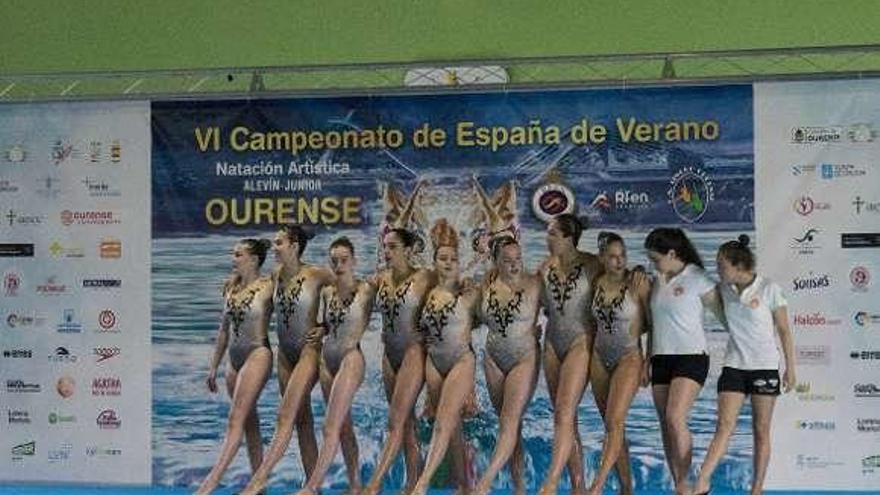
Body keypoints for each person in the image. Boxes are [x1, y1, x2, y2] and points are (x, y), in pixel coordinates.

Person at [692, 235, 795, 495]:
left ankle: (756, 489)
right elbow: (694, 280)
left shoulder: (770, 289)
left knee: (761, 430)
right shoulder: (723, 290)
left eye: (721, 265)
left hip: (764, 367)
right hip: (734, 366)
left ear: (739, 266)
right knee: (723, 426)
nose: (717, 269)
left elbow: (783, 330)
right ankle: (702, 482)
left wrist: (790, 368)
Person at [241, 226, 335, 495]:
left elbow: (347, 292)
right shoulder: (276, 275)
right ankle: (312, 487)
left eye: (279, 243)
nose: (274, 247)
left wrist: (327, 326)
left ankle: (258, 482)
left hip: (309, 352)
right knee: (301, 421)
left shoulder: (317, 274)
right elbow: (259, 301)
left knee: (285, 415)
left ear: (294, 246)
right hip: (285, 354)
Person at [643, 228, 725, 495]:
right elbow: (654, 325)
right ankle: (680, 483)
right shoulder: (656, 280)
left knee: (674, 417)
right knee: (665, 423)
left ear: (672, 253)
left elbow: (727, 318)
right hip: (661, 357)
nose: (653, 264)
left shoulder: (699, 279)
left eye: (656, 258)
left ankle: (689, 481)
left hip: (692, 357)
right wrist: (647, 360)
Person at [295, 237, 377, 495]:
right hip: (327, 362)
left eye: (344, 260)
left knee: (329, 426)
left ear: (354, 261)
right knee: (342, 426)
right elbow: (328, 324)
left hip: (351, 359)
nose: (339, 265)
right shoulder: (327, 293)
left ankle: (311, 487)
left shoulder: (366, 289)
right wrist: (321, 329)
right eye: (334, 261)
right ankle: (355, 486)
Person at [363, 227, 437, 495]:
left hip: (413, 352)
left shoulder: (426, 277)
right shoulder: (380, 279)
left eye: (392, 247)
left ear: (408, 250)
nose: (387, 252)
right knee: (405, 422)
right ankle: (412, 483)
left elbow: (453, 296)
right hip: (389, 354)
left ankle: (373, 485)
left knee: (395, 421)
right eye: (385, 247)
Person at [196, 239, 274, 494]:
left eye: (238, 255)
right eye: (233, 254)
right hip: (234, 361)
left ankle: (210, 483)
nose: (233, 259)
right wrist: (213, 367)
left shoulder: (269, 285)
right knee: (249, 423)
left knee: (235, 419)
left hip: (257, 353)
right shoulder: (231, 288)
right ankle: (259, 484)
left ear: (253, 259)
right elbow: (223, 331)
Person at [410, 219, 481, 495]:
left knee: (456, 418)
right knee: (442, 420)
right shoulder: (427, 291)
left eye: (453, 258)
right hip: (434, 362)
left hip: (461, 360)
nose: (449, 263)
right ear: (434, 261)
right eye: (443, 258)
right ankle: (455, 479)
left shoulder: (469, 290)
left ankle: (460, 482)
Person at [538, 213, 602, 495]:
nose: (547, 238)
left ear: (568, 237)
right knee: (564, 417)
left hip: (580, 341)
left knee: (565, 410)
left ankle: (551, 483)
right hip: (552, 343)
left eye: (552, 233)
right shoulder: (543, 268)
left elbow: (617, 288)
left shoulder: (592, 265)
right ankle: (579, 486)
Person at [473, 236, 542, 495]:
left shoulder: (536, 283)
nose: (514, 266)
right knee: (510, 426)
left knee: (509, 420)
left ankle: (484, 483)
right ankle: (519, 488)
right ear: (496, 262)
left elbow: (563, 314)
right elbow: (475, 317)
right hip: (493, 359)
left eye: (518, 260)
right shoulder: (488, 282)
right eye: (507, 261)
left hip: (524, 358)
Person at [586, 232, 651, 495]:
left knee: (615, 421)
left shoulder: (637, 283)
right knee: (613, 427)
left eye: (622, 255)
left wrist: (648, 360)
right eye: (612, 256)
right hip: (600, 357)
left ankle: (597, 487)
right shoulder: (596, 282)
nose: (619, 261)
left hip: (629, 357)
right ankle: (626, 489)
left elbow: (653, 324)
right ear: (602, 258)